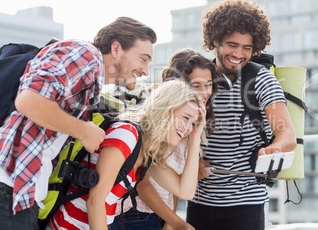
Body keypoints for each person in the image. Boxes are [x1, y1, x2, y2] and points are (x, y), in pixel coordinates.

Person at [0, 17, 156, 230]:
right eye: (143, 59)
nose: (145, 70)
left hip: (20, 192)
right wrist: (84, 131)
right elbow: (29, 100)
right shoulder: (87, 55)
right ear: (117, 48)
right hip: (10, 188)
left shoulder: (92, 84)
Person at [186, 0, 297, 230]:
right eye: (232, 45)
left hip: (246, 203)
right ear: (215, 40)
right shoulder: (198, 76)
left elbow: (286, 133)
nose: (239, 54)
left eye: (247, 48)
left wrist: (274, 149)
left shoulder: (262, 79)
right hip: (199, 201)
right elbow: (176, 129)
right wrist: (192, 159)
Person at [48, 79, 206, 230]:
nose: (188, 128)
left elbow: (185, 191)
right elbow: (95, 201)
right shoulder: (127, 135)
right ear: (165, 108)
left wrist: (195, 137)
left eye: (193, 123)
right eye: (186, 118)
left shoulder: (146, 150)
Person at [109, 49, 218, 230]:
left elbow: (178, 186)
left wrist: (170, 222)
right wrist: (177, 222)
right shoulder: (150, 129)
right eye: (196, 85)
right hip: (135, 215)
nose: (204, 92)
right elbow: (142, 184)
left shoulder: (186, 126)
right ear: (177, 86)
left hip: (159, 216)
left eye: (208, 84)